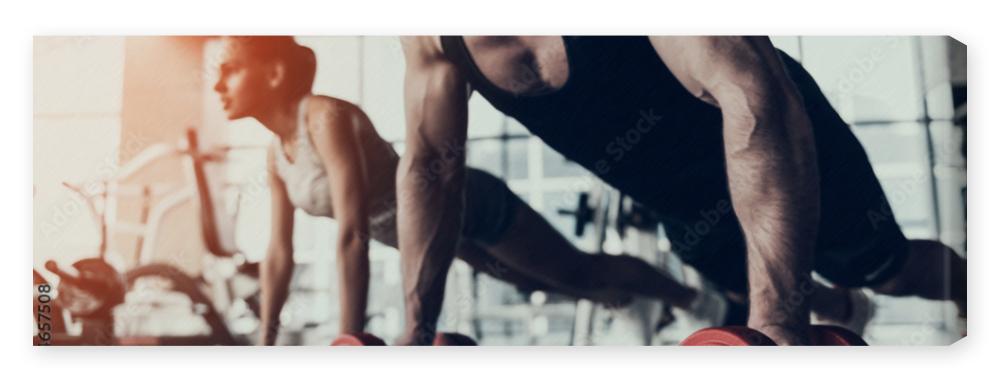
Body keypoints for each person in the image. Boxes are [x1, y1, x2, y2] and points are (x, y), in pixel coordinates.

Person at [397, 36, 967, 345]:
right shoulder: (432, 34)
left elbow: (749, 91)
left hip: (785, 144)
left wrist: (778, 330)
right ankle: (840, 308)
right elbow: (429, 168)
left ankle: (971, 294)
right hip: (684, 207)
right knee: (741, 297)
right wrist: (415, 332)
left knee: (888, 272)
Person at [212, 36, 710, 345]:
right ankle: (630, 301)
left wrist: (351, 338)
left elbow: (352, 233)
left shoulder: (324, 116)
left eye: (230, 67)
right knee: (540, 283)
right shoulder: (275, 154)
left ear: (274, 72)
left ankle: (694, 298)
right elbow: (278, 255)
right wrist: (265, 341)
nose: (217, 84)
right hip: (422, 236)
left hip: (468, 206)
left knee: (578, 269)